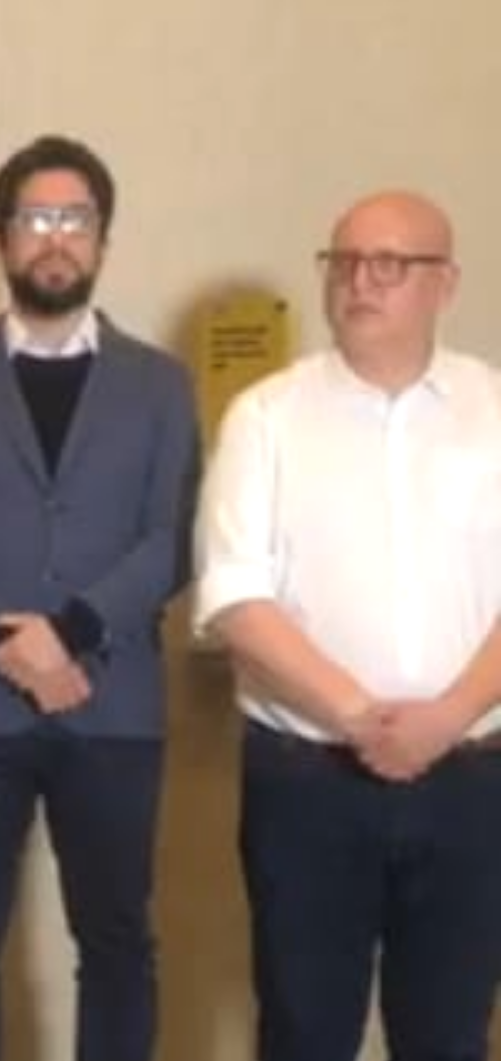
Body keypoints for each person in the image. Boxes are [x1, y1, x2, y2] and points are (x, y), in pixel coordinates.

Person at [0, 134, 199, 1061]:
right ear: (1, 238)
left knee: (116, 938)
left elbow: (173, 535)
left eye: (76, 219)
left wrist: (70, 632)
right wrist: (5, 643)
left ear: (103, 239)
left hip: (113, 699)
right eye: (36, 218)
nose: (56, 238)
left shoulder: (161, 384)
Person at [194, 190, 501, 1061]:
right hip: (309, 779)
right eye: (345, 261)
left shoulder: (494, 408)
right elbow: (236, 595)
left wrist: (446, 718)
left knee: (450, 1034)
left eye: (390, 264)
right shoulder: (265, 415)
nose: (361, 281)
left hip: (472, 781)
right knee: (303, 1032)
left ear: (446, 283)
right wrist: (360, 716)